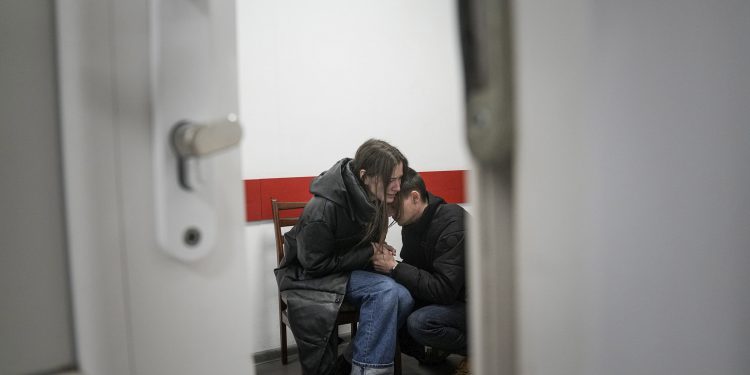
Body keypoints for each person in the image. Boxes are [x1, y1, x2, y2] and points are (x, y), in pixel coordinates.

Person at [275, 139, 414, 375]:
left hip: (344, 271)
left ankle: (352, 362)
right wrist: (369, 252)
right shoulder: (323, 208)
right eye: (392, 179)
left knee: (404, 296)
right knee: (386, 291)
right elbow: (314, 265)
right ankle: (368, 371)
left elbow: (357, 244)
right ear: (364, 175)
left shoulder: (373, 199)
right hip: (310, 276)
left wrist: (378, 248)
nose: (398, 186)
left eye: (400, 179)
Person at [371, 167, 469, 373]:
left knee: (419, 322)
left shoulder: (453, 224)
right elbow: (417, 272)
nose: (391, 214)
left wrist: (395, 267)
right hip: (451, 298)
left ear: (415, 197)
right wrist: (392, 262)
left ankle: (477, 349)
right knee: (396, 311)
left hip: (476, 304)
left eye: (395, 207)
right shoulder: (413, 223)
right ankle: (440, 348)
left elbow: (443, 289)